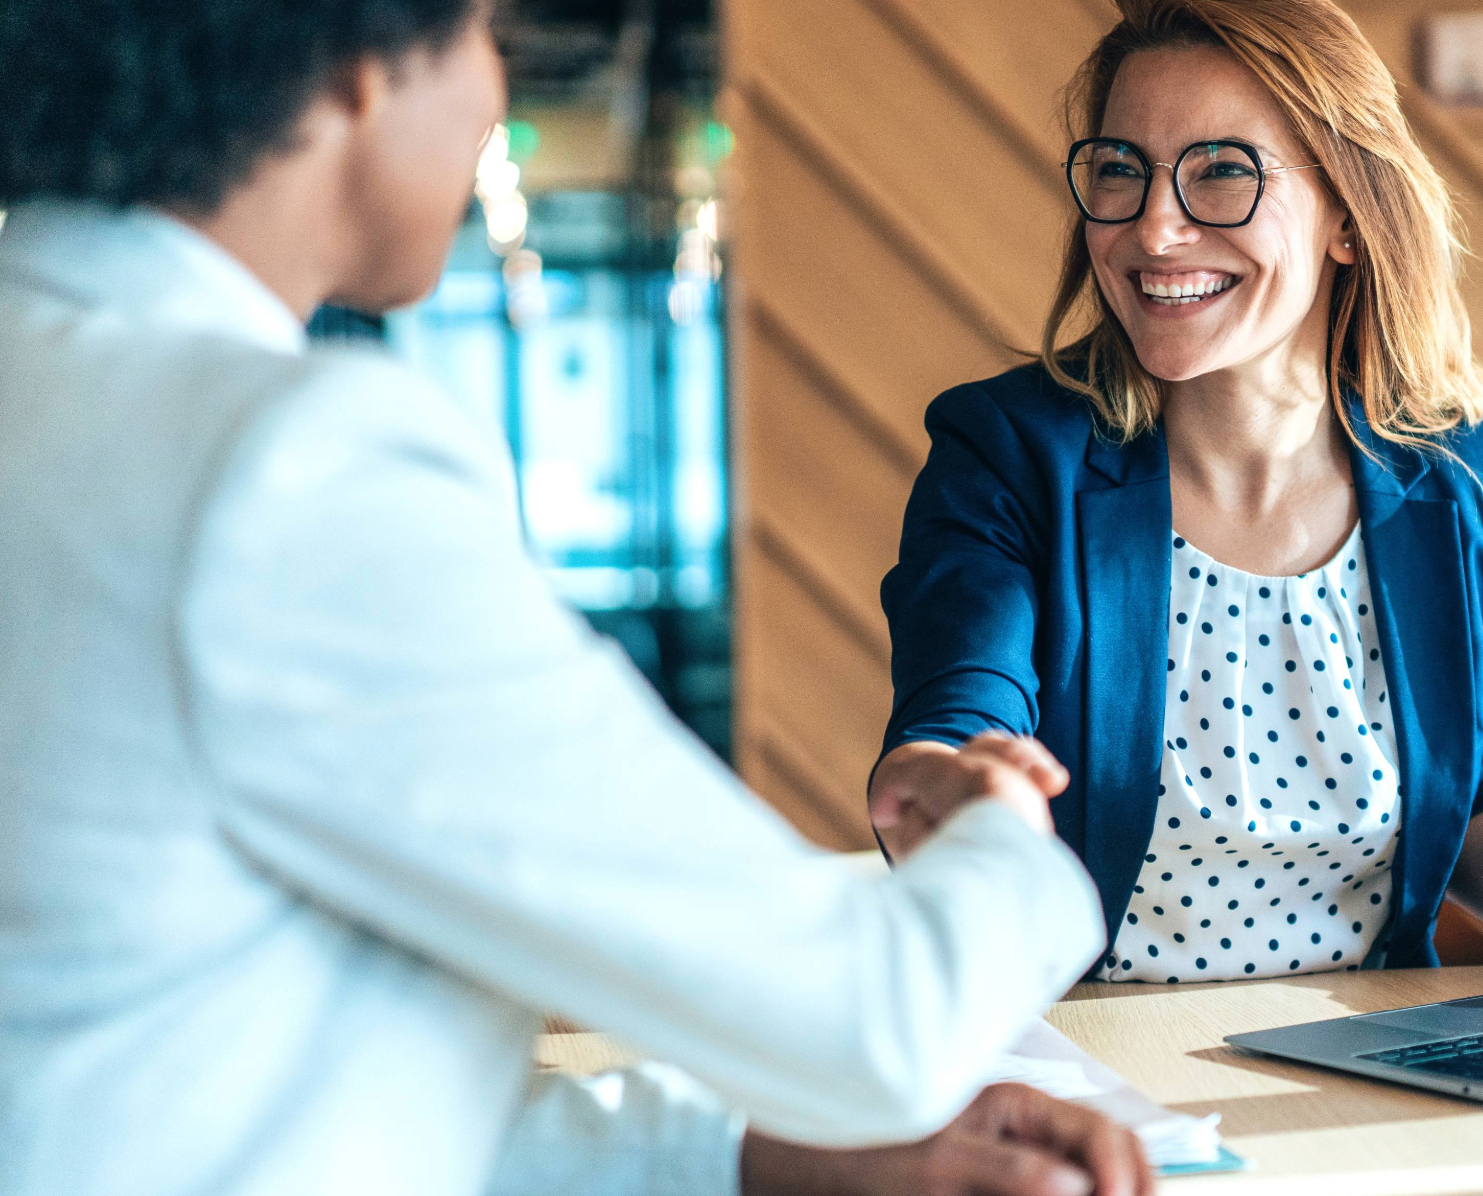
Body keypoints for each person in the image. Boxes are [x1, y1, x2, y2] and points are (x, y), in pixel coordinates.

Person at [0, 3, 1150, 1195]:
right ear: (354, 69)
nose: (496, 87)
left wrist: (752, 1157)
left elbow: (182, 1088)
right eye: (481, 33)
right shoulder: (282, 469)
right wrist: (1003, 833)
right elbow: (882, 1026)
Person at [869, 0, 1483, 984]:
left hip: (1369, 1057)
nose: (1154, 229)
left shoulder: (1467, 480)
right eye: (1120, 170)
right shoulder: (1007, 451)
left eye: (1222, 173)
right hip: (1093, 1061)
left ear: (1347, 219)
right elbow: (965, 704)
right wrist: (949, 780)